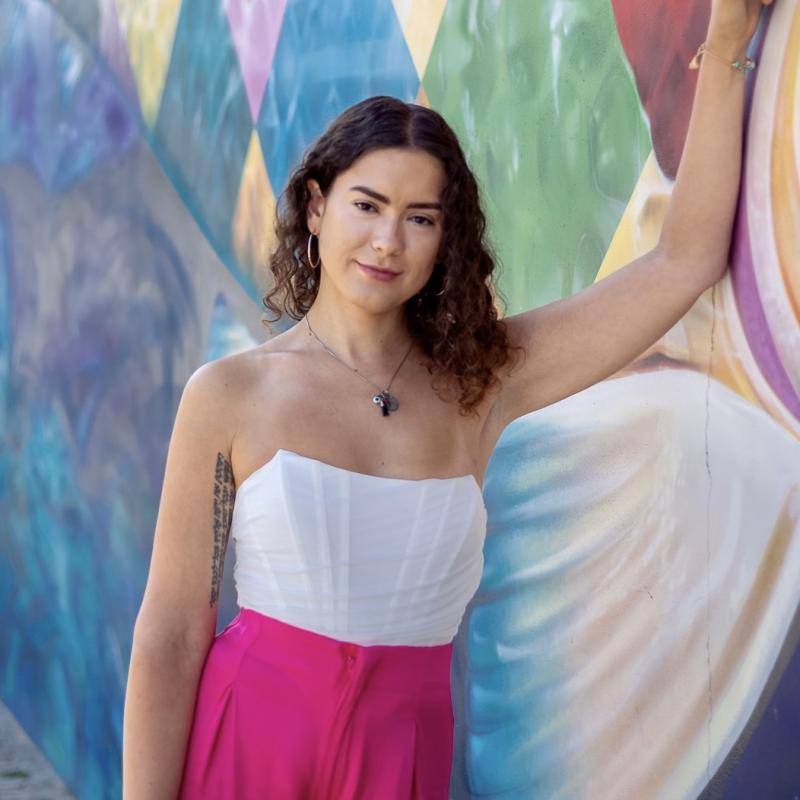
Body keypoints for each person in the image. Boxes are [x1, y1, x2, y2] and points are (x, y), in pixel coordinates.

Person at [121, 1, 772, 796]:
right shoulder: (229, 393)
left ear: (445, 239)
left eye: (419, 218)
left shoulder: (482, 383)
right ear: (319, 207)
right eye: (366, 205)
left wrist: (731, 43)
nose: (388, 241)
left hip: (404, 753)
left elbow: (684, 260)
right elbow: (171, 633)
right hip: (253, 737)